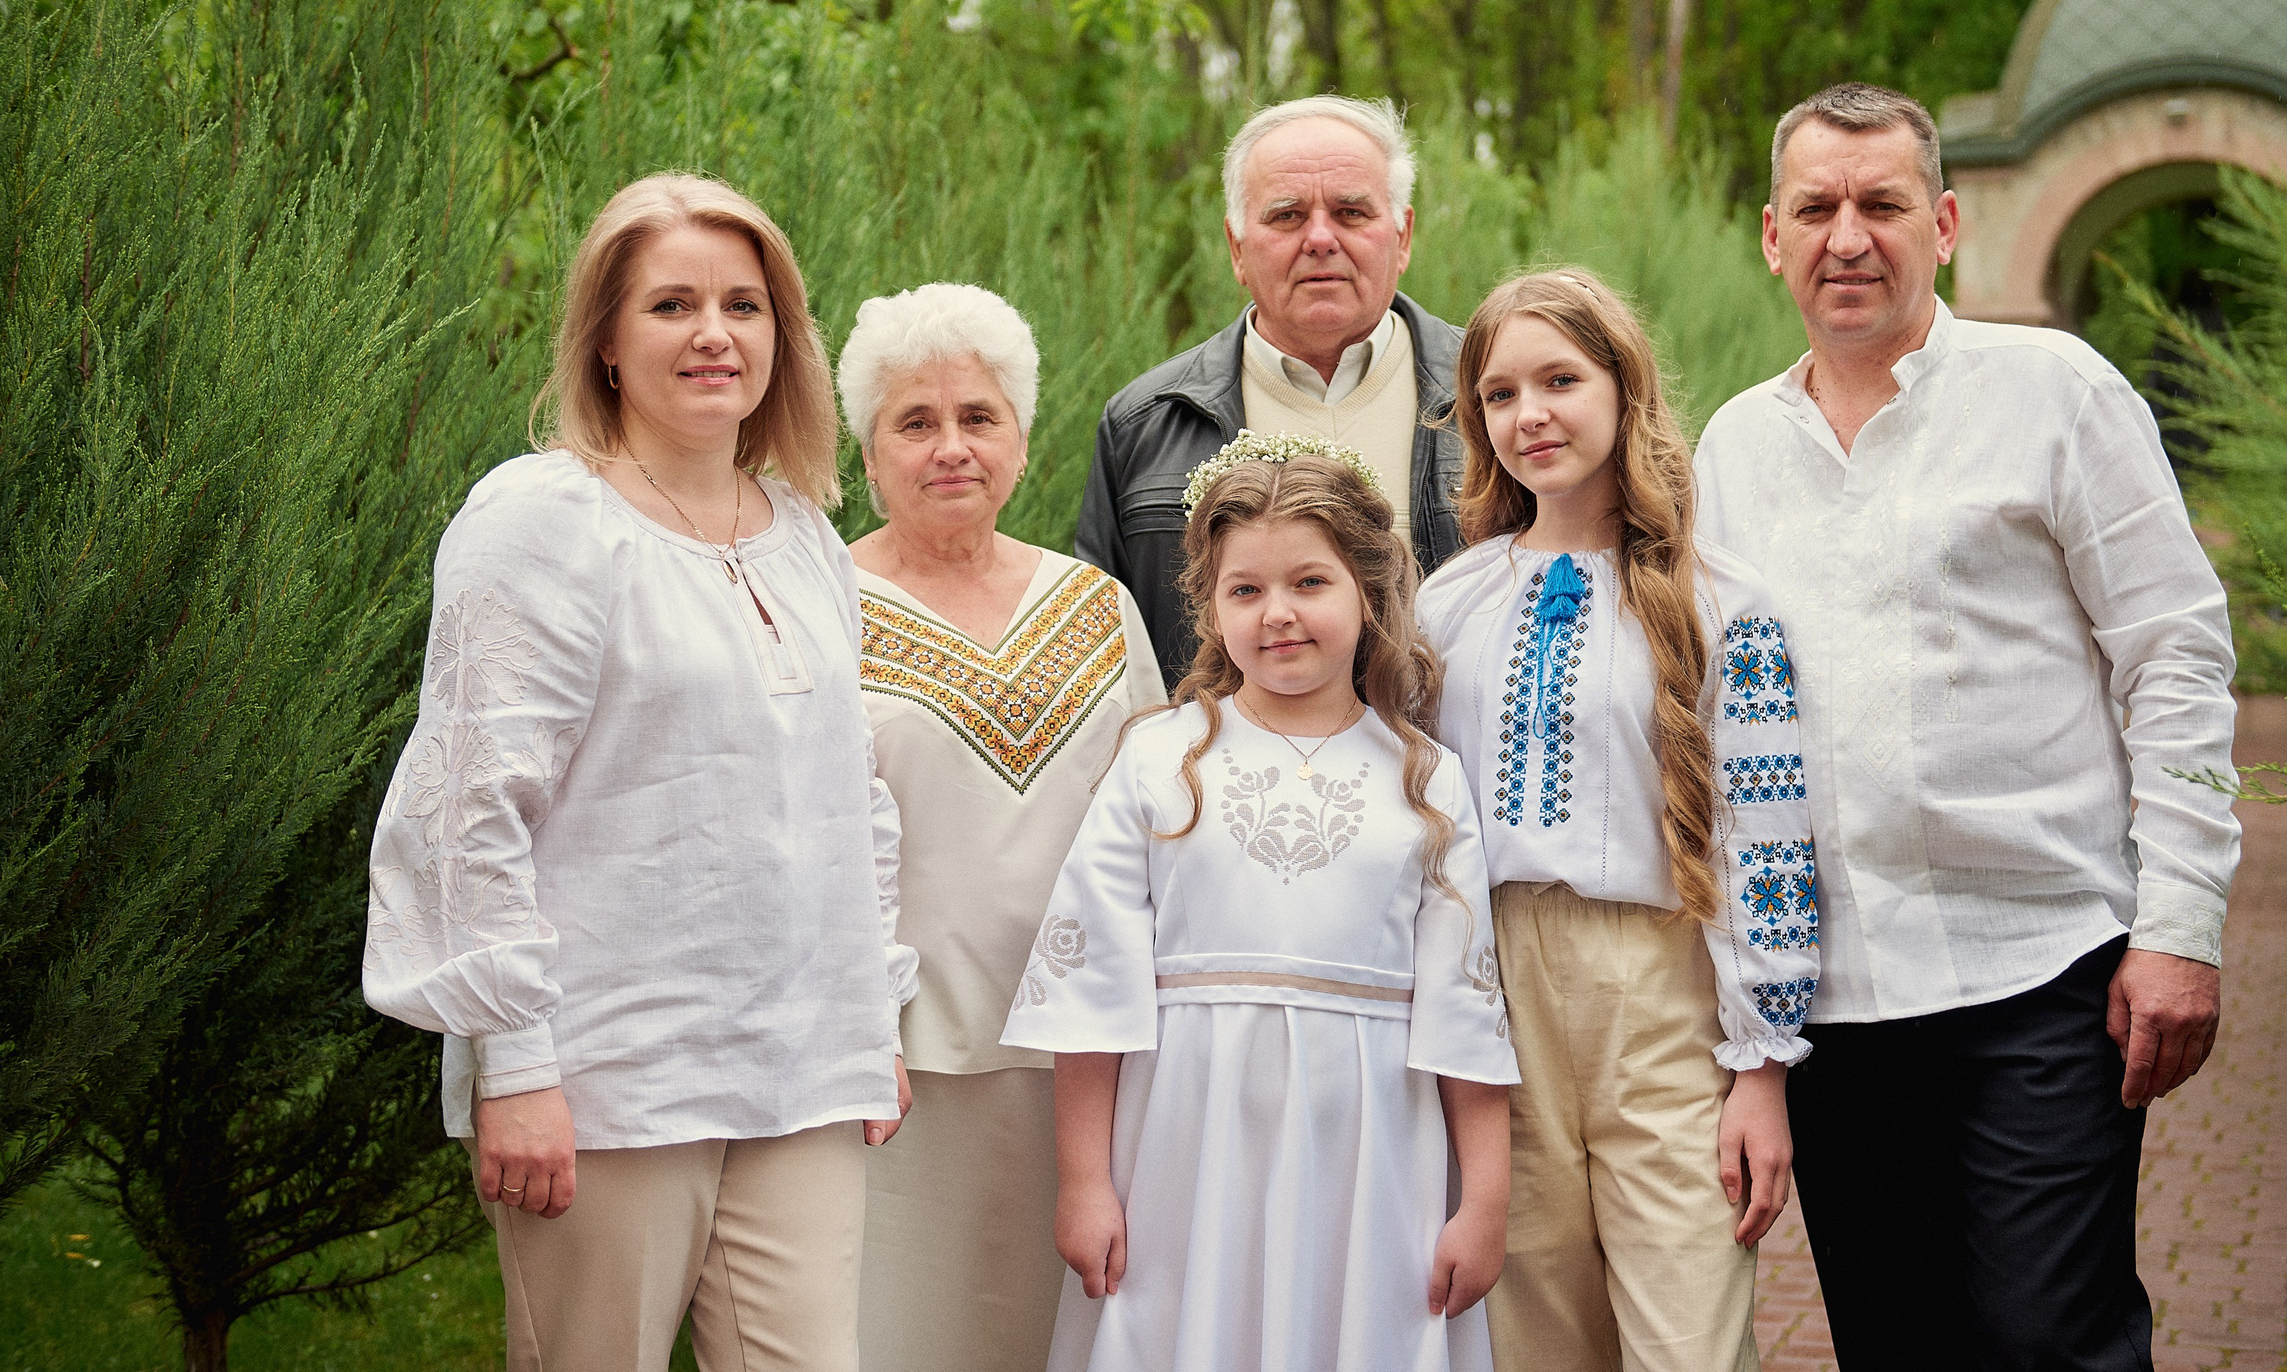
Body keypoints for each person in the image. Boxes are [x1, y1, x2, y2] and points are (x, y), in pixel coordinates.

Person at [1693, 83, 2239, 1370]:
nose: (1848, 236)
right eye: (1816, 208)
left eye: (1880, 204)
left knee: (2048, 1339)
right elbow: (1713, 733)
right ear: (1770, 236)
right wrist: (1749, 1031)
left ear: (1942, 223)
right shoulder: (1728, 449)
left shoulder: (2053, 390)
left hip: (2041, 971)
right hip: (1835, 999)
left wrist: (2180, 925)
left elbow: (2173, 651)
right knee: (1897, 1345)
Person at [361, 174, 914, 1372]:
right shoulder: (543, 520)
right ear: (606, 340)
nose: (715, 333)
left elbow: (845, 797)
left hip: (802, 1070)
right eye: (671, 304)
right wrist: (513, 1061)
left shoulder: (805, 533)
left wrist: (870, 1022)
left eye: (744, 304)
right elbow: (465, 807)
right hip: (607, 1077)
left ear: (783, 333)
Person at [1005, 438, 1518, 1372]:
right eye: (1245, 591)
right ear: (1208, 606)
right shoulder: (1160, 758)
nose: (1278, 614)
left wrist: (1482, 1200)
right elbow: (1092, 996)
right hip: (1183, 1152)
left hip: (1372, 1159)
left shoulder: (1426, 778)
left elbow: (1465, 1014)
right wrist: (1085, 1182)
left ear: (1366, 591)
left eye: (1310, 582)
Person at [1417, 269, 1818, 1372]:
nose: (1530, 413)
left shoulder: (1722, 602)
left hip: (1662, 999)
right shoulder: (1446, 607)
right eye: (1499, 394)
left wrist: (1763, 1068)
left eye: (1560, 379)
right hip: (1493, 999)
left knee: (1685, 1339)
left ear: (1623, 388)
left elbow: (1766, 838)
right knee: (1532, 1334)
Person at [835, 283, 1166, 1372]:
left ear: (1022, 437)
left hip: (1081, 1071)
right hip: (891, 1074)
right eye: (914, 422)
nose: (951, 448)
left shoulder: (1097, 605)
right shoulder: (817, 606)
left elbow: (1163, 829)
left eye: (979, 417)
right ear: (867, 450)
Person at [1075, 95, 1470, 690]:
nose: (1319, 239)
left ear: (1402, 234)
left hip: (1454, 779)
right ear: (1236, 247)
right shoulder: (1145, 426)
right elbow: (1106, 669)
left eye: (1351, 212)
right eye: (1286, 216)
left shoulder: (1495, 400)